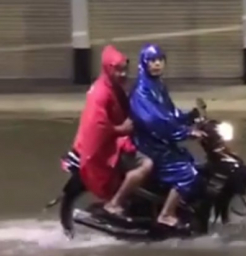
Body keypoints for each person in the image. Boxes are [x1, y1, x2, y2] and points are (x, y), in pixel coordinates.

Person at [70, 45, 154, 219]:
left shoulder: (115, 86)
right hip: (108, 145)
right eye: (118, 70)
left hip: (119, 138)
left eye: (124, 70)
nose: (123, 74)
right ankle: (114, 203)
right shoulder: (101, 92)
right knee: (146, 165)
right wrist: (120, 129)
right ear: (108, 69)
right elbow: (97, 125)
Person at [129, 43, 205, 229]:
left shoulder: (157, 85)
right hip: (150, 143)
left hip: (160, 140)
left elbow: (170, 113)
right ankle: (166, 214)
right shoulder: (142, 90)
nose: (157, 64)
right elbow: (156, 121)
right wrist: (185, 132)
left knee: (191, 160)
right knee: (187, 172)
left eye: (160, 60)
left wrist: (190, 116)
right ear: (144, 63)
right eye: (152, 61)